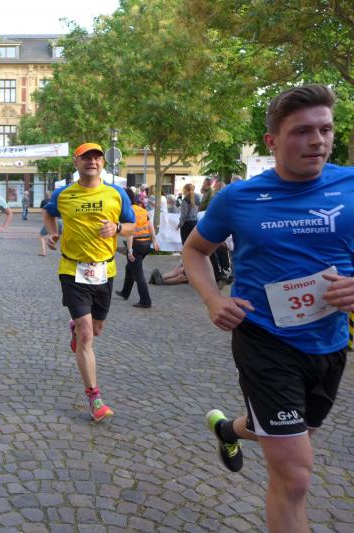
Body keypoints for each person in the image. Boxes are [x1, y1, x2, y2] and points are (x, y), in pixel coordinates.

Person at [182, 84, 353, 533]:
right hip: (264, 340)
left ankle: (228, 431)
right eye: (302, 131)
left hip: (330, 342)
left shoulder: (350, 185)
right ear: (272, 141)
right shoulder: (238, 198)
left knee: (288, 433)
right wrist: (213, 299)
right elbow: (195, 250)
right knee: (295, 474)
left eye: (325, 129)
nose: (317, 141)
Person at [42, 142, 135, 422]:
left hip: (104, 271)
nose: (92, 161)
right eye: (86, 158)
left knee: (96, 329)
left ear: (103, 163)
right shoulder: (63, 194)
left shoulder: (116, 194)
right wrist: (52, 233)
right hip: (73, 270)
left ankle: (76, 328)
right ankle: (94, 397)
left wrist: (117, 227)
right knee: (86, 334)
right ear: (76, 162)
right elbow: (48, 212)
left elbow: (131, 225)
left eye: (96, 157)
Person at [116, 188, 159, 308]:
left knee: (138, 273)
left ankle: (145, 301)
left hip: (136, 245)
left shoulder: (128, 211)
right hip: (146, 244)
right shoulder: (142, 209)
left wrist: (130, 250)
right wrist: (154, 241)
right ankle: (125, 292)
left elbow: (130, 232)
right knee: (130, 267)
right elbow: (150, 225)